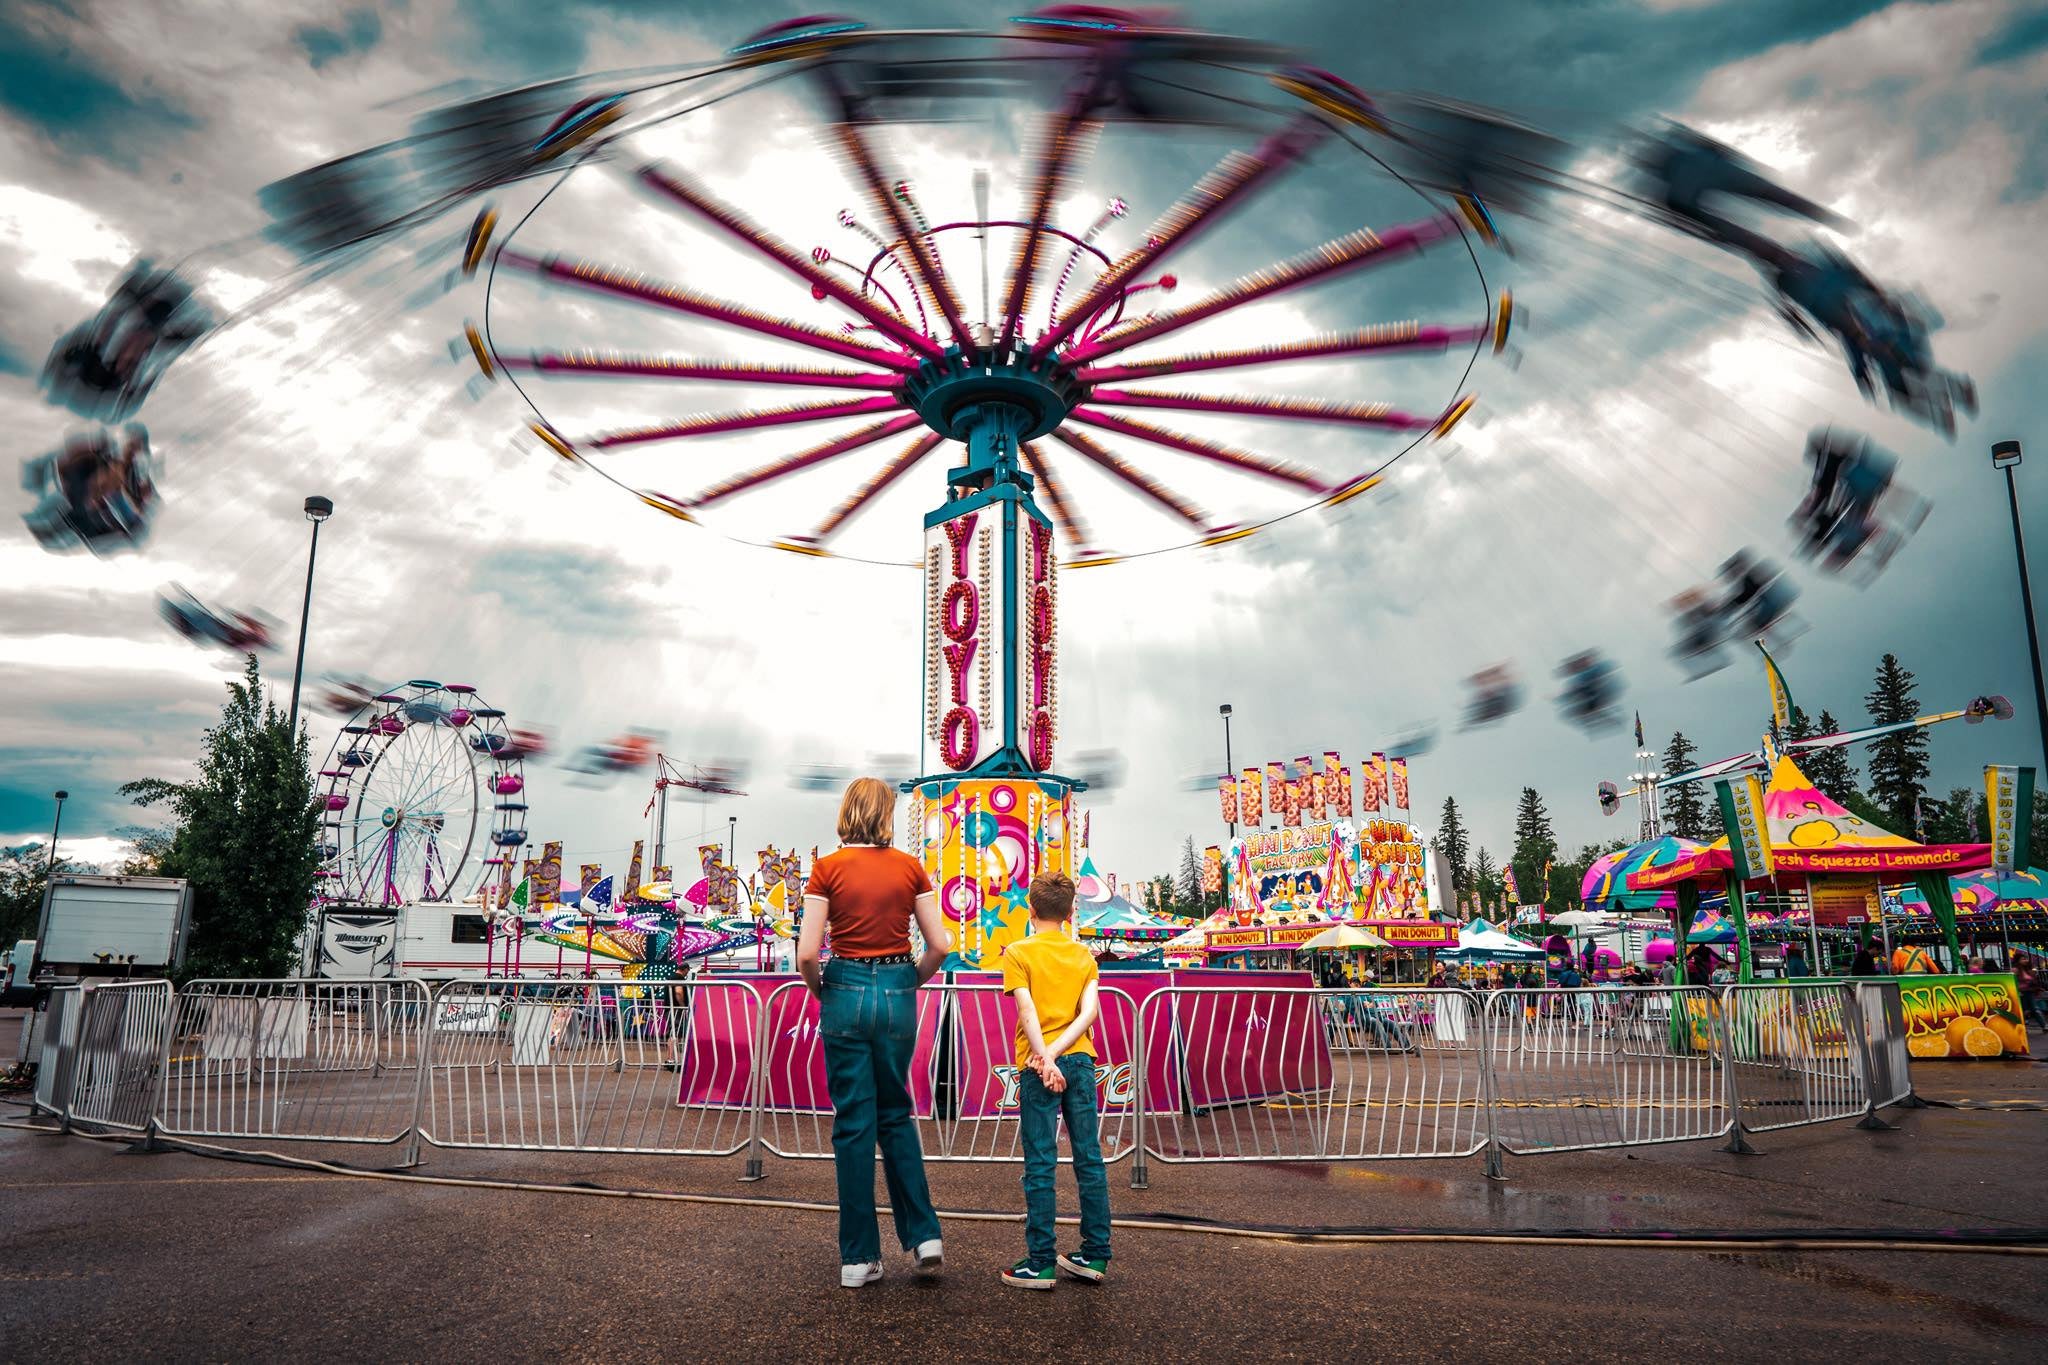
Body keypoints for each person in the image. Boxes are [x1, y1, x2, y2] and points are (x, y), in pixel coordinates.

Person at [798, 778, 950, 1289]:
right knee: (896, 1113)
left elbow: (805, 952)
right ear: (886, 813)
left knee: (854, 1123)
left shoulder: (828, 868)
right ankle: (925, 1236)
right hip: (896, 988)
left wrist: (825, 990)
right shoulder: (909, 867)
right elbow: (940, 944)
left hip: (844, 985)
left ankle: (858, 1258)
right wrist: (908, 980)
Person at [1000, 872, 1112, 1290]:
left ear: (1031, 908)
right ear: (1069, 912)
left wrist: (1044, 1058)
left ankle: (1041, 1260)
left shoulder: (1017, 953)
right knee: (1089, 1157)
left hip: (1036, 1064)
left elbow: (1027, 1011)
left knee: (1041, 1160)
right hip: (1081, 1060)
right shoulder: (1083, 955)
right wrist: (1060, 1055)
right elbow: (1088, 1015)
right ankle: (1095, 1253)